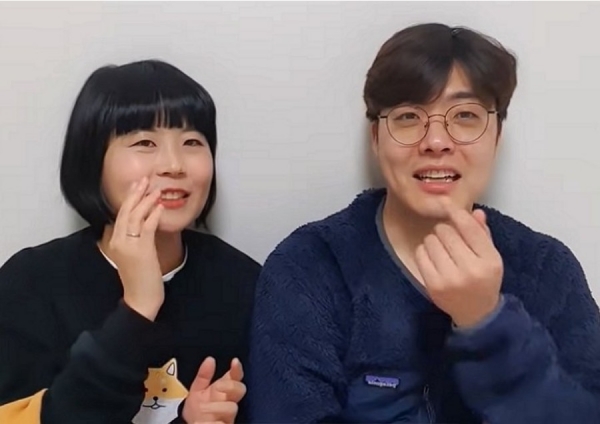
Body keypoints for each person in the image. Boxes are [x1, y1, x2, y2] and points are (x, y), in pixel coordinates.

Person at [247, 23, 600, 423]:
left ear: (497, 136)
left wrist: (487, 322)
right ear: (376, 138)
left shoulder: (546, 269)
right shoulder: (310, 265)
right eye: (408, 117)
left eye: (465, 115)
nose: (435, 142)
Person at [0, 59, 260, 424]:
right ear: (93, 162)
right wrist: (138, 308)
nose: (174, 165)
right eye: (144, 142)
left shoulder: (244, 283)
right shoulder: (31, 283)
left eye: (191, 142)